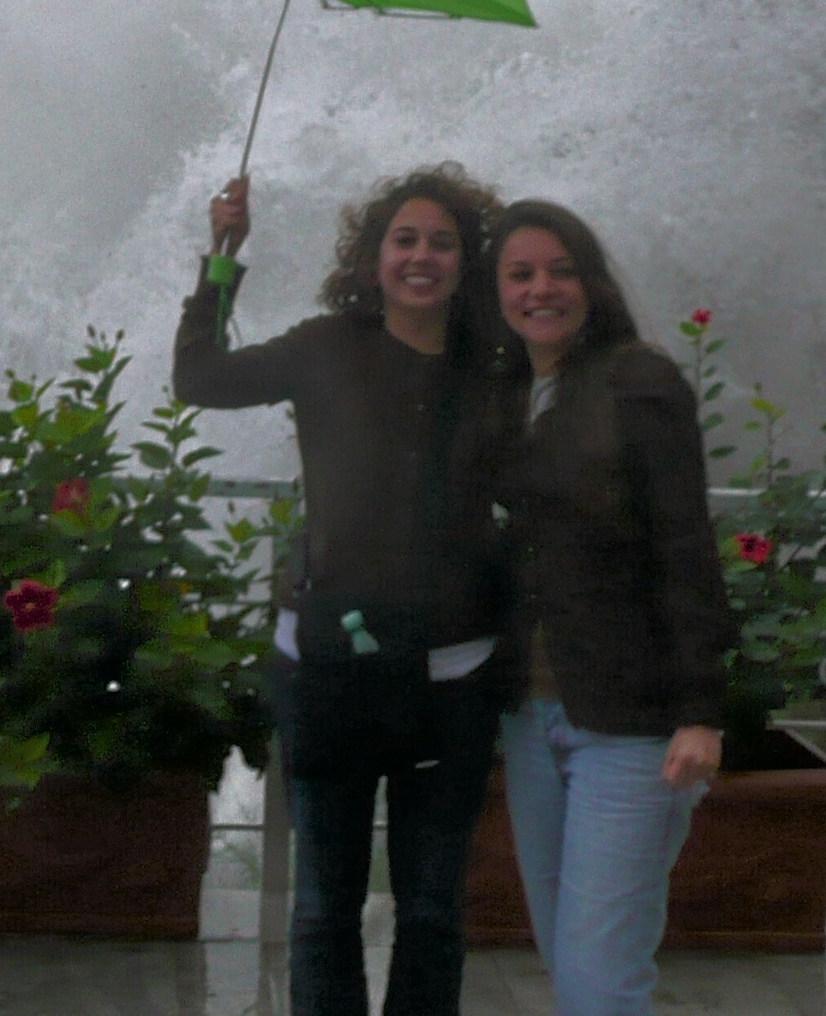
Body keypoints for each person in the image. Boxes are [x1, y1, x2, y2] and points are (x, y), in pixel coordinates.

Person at [175, 167, 514, 1016]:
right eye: (404, 239)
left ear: (468, 263)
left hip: (454, 673)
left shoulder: (498, 365)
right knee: (323, 910)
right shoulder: (324, 346)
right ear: (372, 258)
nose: (421, 256)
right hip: (330, 666)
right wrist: (223, 254)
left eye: (443, 242)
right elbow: (202, 378)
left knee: (434, 912)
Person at [490, 200, 732, 1016]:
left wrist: (700, 711)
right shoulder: (511, 389)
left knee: (600, 980)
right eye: (519, 273)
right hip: (530, 717)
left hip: (628, 725)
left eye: (560, 269)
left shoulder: (640, 381)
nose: (541, 288)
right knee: (571, 959)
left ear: (591, 279)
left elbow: (686, 549)